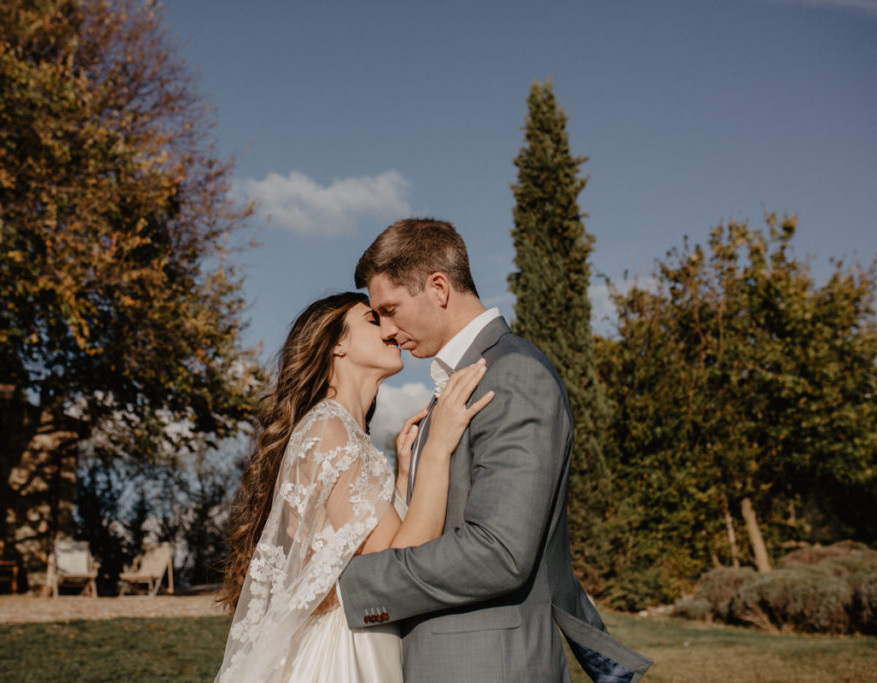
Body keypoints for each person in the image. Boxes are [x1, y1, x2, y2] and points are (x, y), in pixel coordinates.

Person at [337, 218, 653, 681]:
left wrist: (351, 589)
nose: (386, 329)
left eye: (391, 309)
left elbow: (499, 551)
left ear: (439, 288)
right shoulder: (465, 380)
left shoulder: (512, 375)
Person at [215, 291, 495, 682]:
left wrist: (399, 479)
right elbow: (397, 563)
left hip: (363, 633)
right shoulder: (330, 429)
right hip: (347, 652)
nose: (390, 328)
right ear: (337, 346)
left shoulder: (341, 430)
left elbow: (364, 542)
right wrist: (437, 448)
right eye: (372, 318)